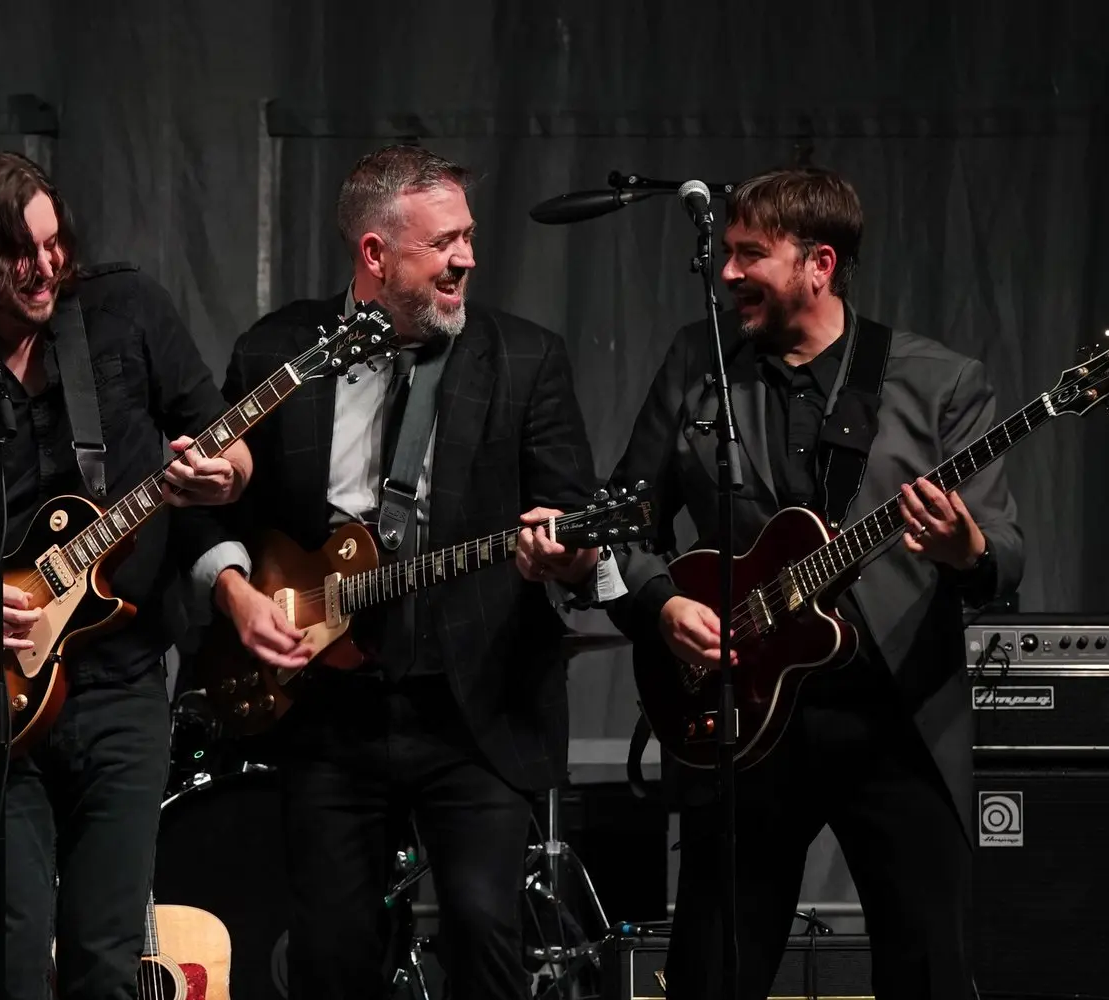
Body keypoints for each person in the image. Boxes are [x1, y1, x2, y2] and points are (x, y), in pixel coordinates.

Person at [180, 143, 608, 999]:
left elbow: (575, 522)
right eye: (443, 242)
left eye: (468, 237)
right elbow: (213, 507)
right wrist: (235, 595)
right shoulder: (278, 351)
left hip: (474, 705)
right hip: (326, 710)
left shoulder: (527, 358)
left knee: (484, 931)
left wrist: (567, 553)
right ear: (375, 254)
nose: (467, 259)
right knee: (332, 955)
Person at [0, 150, 250, 1000]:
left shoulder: (127, 313)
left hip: (123, 688)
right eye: (20, 252)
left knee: (106, 961)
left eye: (54, 242)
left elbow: (229, 445)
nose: (46, 266)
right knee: (8, 959)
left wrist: (224, 476)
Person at [604, 166, 1024, 999]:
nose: (726, 273)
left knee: (929, 972)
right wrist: (662, 604)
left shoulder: (939, 382)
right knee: (712, 974)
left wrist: (965, 548)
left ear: (819, 264)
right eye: (725, 252)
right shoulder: (697, 363)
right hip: (744, 719)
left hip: (896, 720)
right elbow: (620, 523)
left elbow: (1003, 555)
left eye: (749, 254)